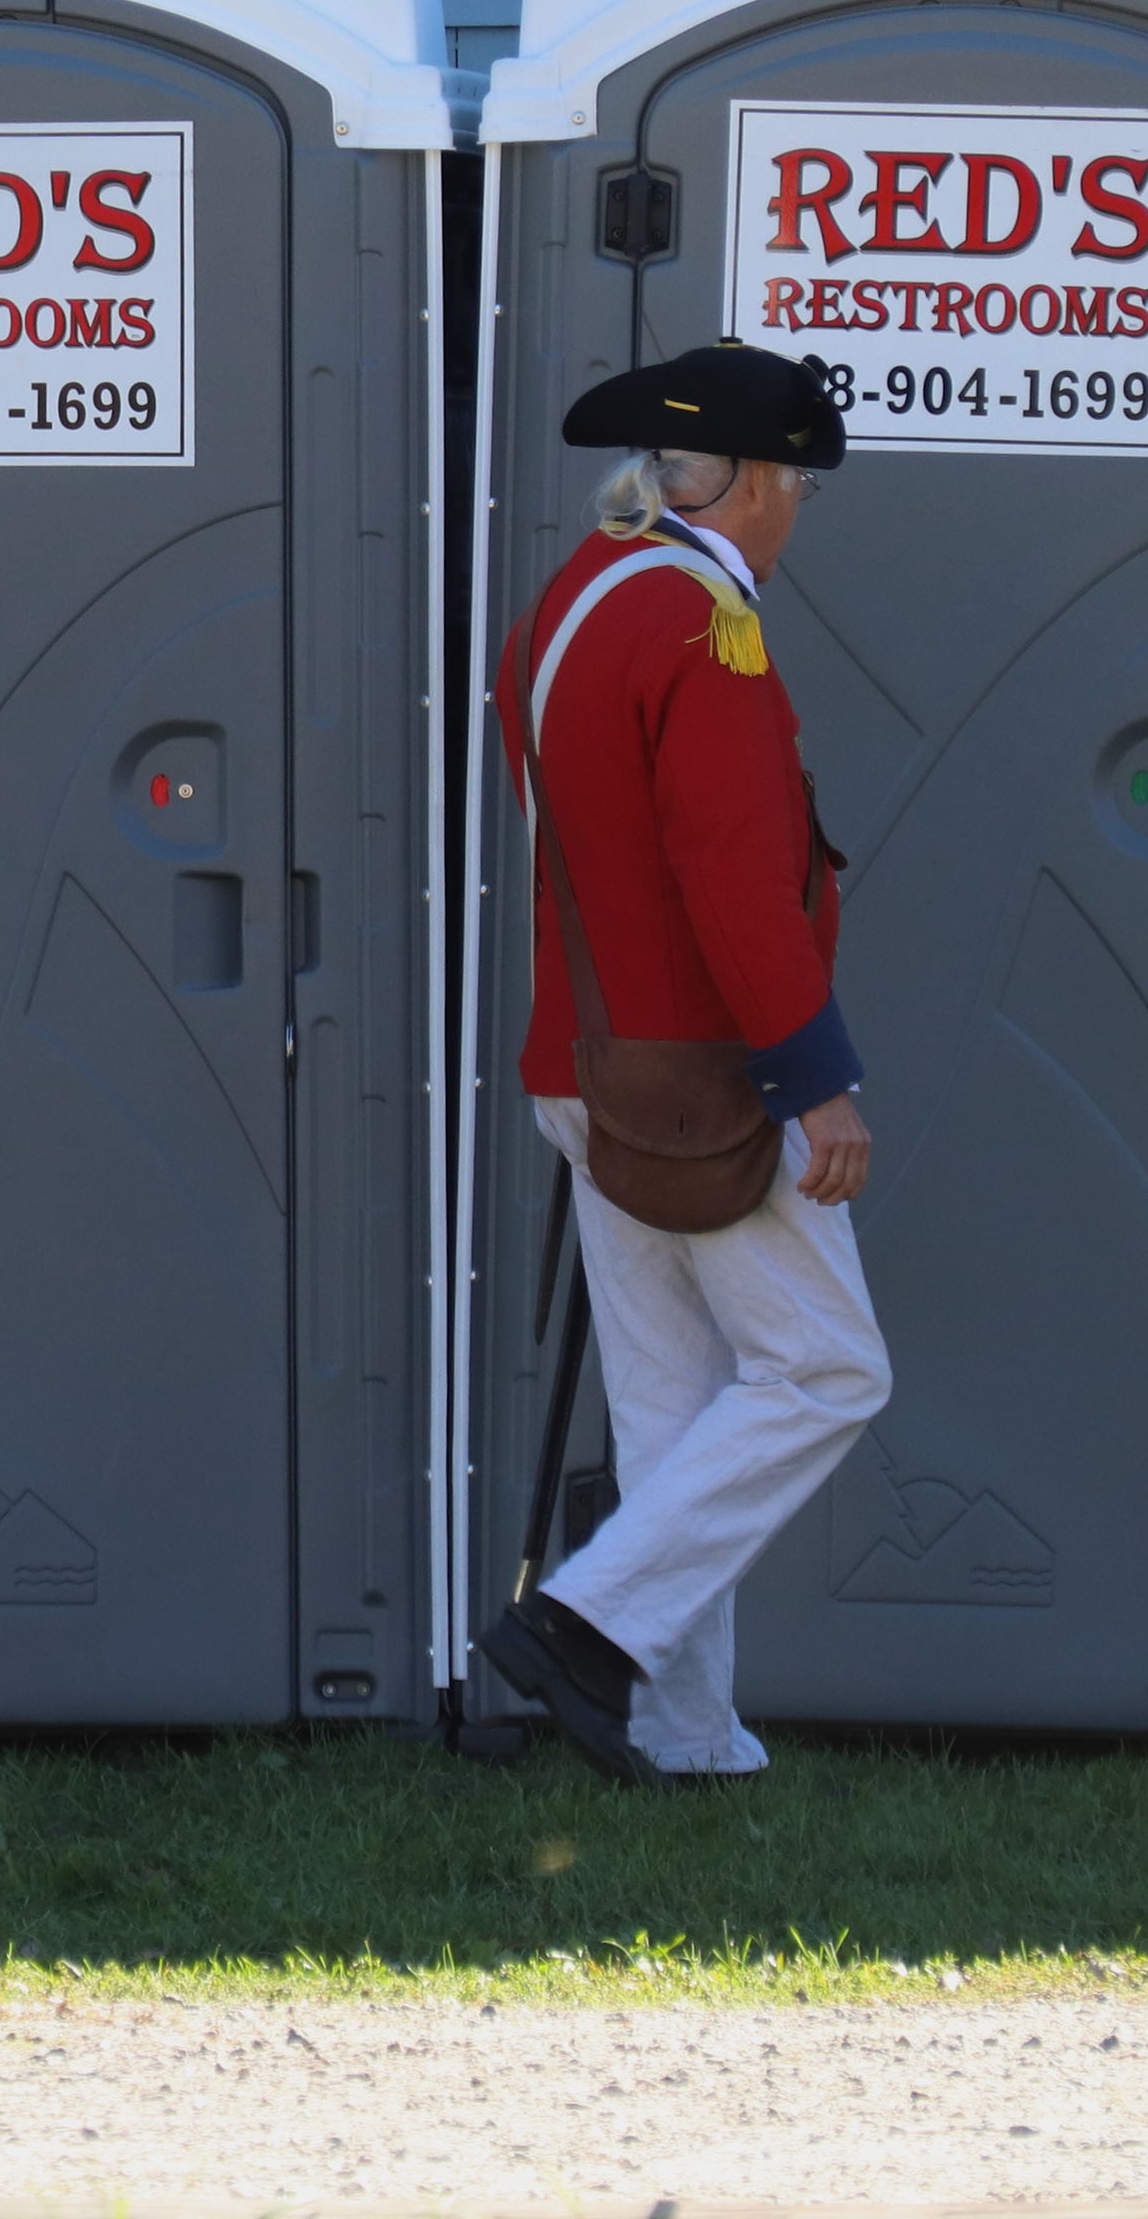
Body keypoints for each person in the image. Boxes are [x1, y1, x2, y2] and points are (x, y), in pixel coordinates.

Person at [481, 338, 896, 1788]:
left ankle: (681, 1729)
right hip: (699, 1074)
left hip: (587, 1061)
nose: (798, 513)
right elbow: (734, 881)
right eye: (799, 486)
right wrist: (815, 1078)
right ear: (757, 483)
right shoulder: (707, 624)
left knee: (673, 1405)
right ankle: (586, 1624)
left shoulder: (576, 595)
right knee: (829, 1370)